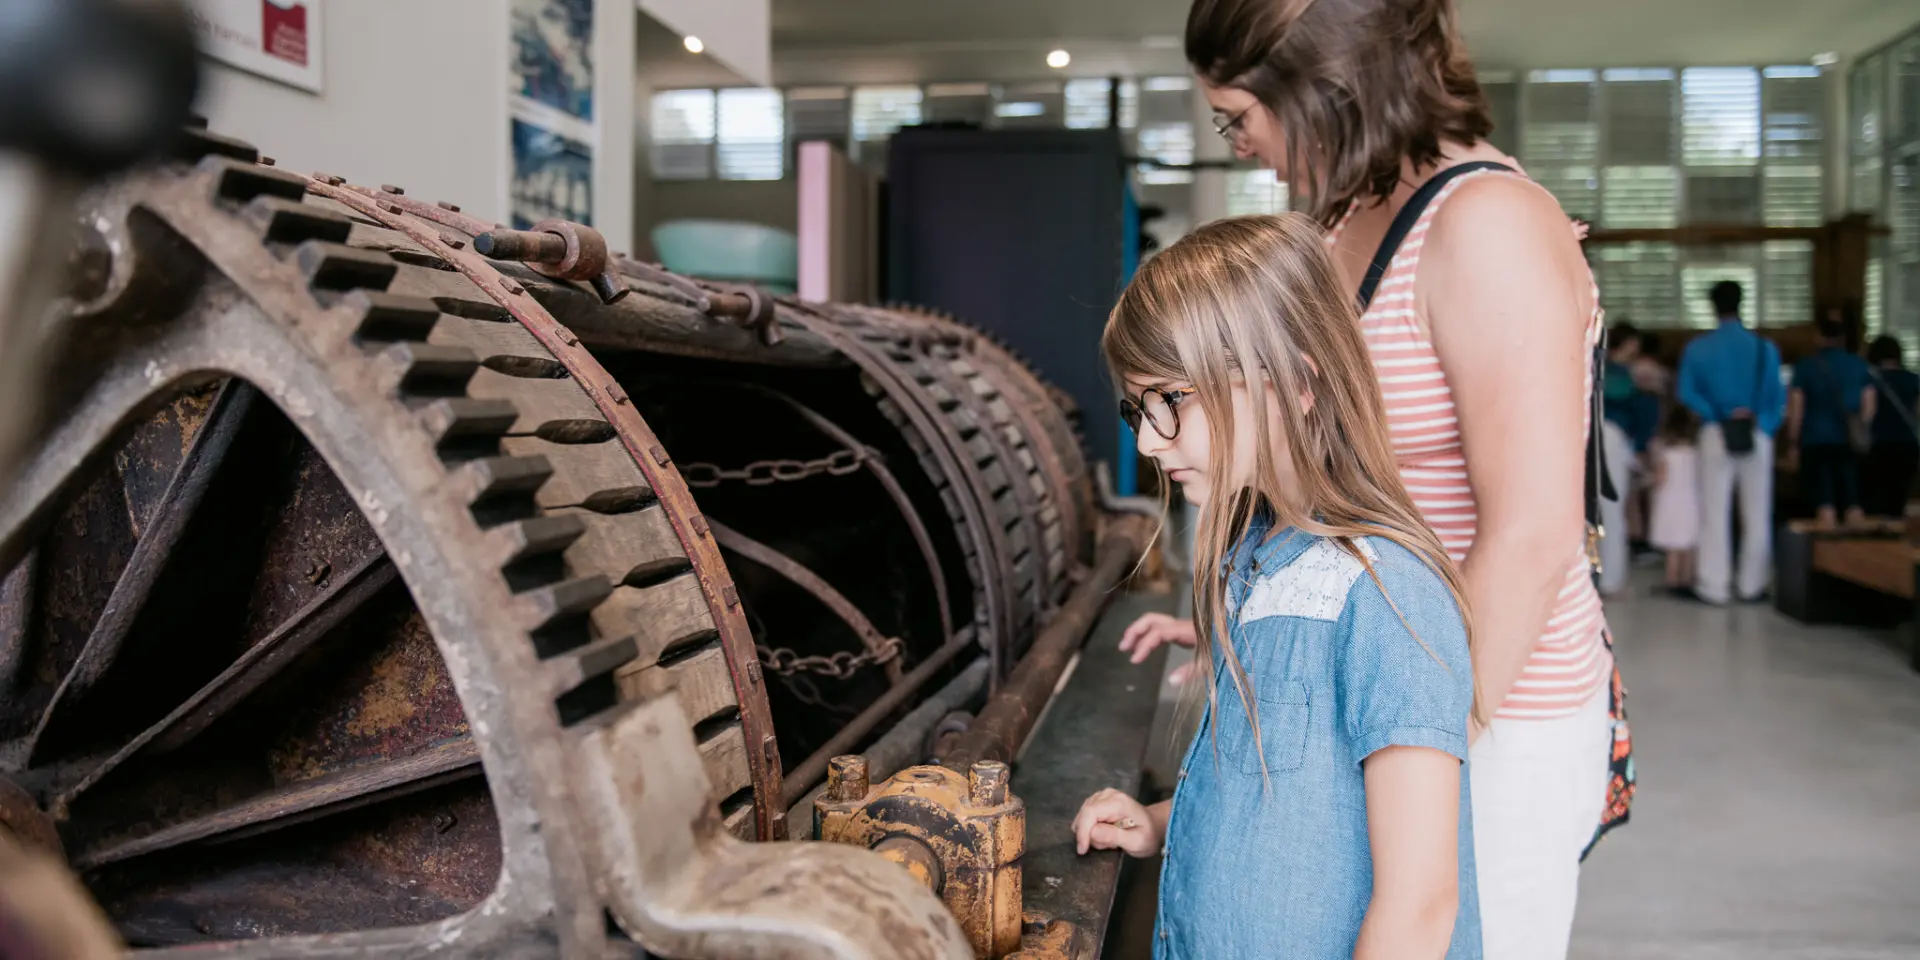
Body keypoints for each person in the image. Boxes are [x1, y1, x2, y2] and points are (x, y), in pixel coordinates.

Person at [1121, 3, 1629, 957]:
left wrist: (1404, 731)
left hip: (1486, 701)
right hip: (1390, 674)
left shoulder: (1487, 222)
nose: (1243, 146)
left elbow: (1530, 534)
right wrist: (1295, 628)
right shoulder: (1350, 213)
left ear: (1322, 83)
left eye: (1237, 115)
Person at [1076, 215, 1478, 960]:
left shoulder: (1386, 593)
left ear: (1294, 381)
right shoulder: (1253, 558)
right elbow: (1277, 794)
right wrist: (1161, 821)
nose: (1148, 440)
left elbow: (1420, 904)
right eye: (1137, 409)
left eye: (1170, 399)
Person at [1675, 280, 1784, 604]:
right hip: (1756, 431)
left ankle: (1714, 585)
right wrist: (1764, 424)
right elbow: (1776, 396)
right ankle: (1752, 584)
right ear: (1741, 303)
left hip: (1716, 431)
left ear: (1713, 306)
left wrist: (1716, 414)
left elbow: (1685, 392)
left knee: (1714, 510)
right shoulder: (1765, 348)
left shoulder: (1697, 348)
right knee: (1757, 511)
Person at [1786, 314, 1875, 528]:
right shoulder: (1858, 365)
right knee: (1852, 498)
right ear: (1843, 337)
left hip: (1815, 439)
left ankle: (1826, 552)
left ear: (1818, 336)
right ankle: (1857, 552)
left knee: (1824, 501)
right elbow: (1870, 404)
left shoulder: (1806, 367)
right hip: (1849, 440)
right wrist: (1860, 428)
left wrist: (1792, 440)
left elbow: (1796, 407)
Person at [1863, 335, 1919, 519]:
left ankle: (1880, 532)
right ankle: (1896, 532)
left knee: (1877, 494)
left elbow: (1868, 412)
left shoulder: (1870, 379)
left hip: (1879, 444)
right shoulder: (1913, 380)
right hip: (1908, 445)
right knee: (1899, 494)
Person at [1647, 404, 1701, 595]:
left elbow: (1660, 479)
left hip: (1671, 501)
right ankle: (1688, 579)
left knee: (1674, 546)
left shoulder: (1666, 453)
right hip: (1692, 501)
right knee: (1688, 543)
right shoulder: (1697, 453)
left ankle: (1672, 580)